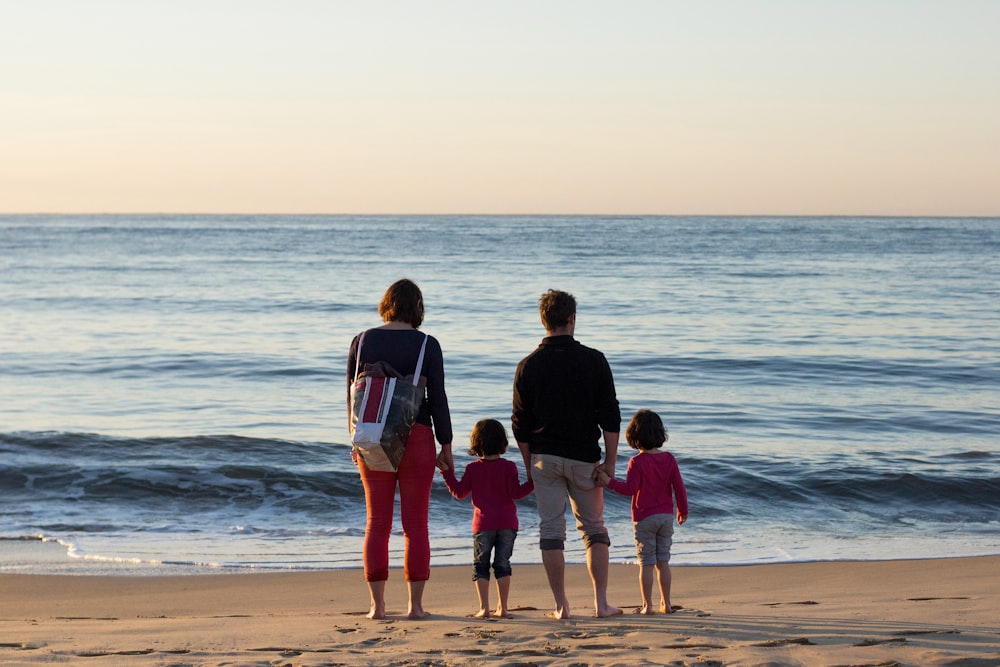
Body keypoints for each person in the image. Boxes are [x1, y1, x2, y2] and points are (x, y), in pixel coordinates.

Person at [511, 289, 623, 619]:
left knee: (551, 532)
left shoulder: (527, 365)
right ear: (572, 319)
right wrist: (611, 462)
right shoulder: (594, 360)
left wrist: (529, 462)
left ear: (543, 320)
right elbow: (610, 416)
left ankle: (562, 607)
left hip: (544, 458)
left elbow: (520, 423)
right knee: (594, 530)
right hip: (584, 458)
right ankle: (601, 604)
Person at [346, 278, 454, 620]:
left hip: (371, 435)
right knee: (415, 523)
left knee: (376, 523)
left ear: (386, 303)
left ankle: (377, 607)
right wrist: (446, 444)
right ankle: (415, 607)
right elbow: (437, 398)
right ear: (417, 308)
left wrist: (354, 439)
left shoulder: (361, 341)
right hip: (417, 437)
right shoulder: (427, 345)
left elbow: (351, 396)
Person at [438, 418, 534, 618]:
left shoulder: (474, 468)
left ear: (476, 442)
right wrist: (534, 481)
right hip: (508, 523)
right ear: (502, 442)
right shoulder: (509, 467)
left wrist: (446, 473)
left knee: (481, 565)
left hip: (483, 525)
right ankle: (503, 608)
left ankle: (484, 608)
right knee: (502, 564)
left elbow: (459, 492)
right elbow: (516, 493)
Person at [596, 409, 688, 615]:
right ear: (659, 434)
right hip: (666, 516)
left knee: (646, 563)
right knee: (663, 561)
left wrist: (608, 483)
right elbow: (679, 487)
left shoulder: (636, 462)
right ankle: (667, 603)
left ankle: (648, 606)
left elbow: (629, 490)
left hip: (644, 517)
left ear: (634, 436)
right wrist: (683, 509)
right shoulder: (669, 459)